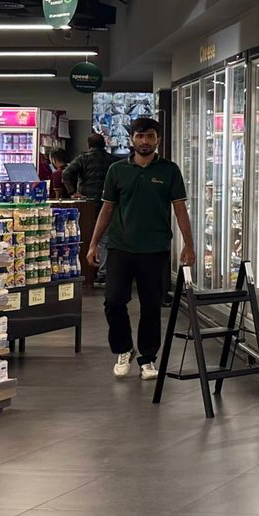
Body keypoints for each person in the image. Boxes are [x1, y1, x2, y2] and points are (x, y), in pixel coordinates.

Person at [86, 117, 194, 381]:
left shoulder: (169, 170)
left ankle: (148, 358)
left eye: (150, 136)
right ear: (132, 139)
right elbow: (107, 208)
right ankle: (124, 348)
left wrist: (189, 245)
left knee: (151, 305)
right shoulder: (117, 170)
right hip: (120, 247)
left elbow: (180, 209)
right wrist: (93, 244)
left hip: (155, 248)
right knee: (113, 301)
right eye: (140, 136)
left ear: (158, 140)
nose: (145, 141)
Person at [65, 133, 118, 282]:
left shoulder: (83, 158)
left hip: (87, 203)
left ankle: (86, 272)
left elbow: (66, 172)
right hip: (108, 203)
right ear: (104, 145)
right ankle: (103, 273)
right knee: (105, 238)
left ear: (88, 145)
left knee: (86, 236)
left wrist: (72, 192)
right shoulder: (113, 160)